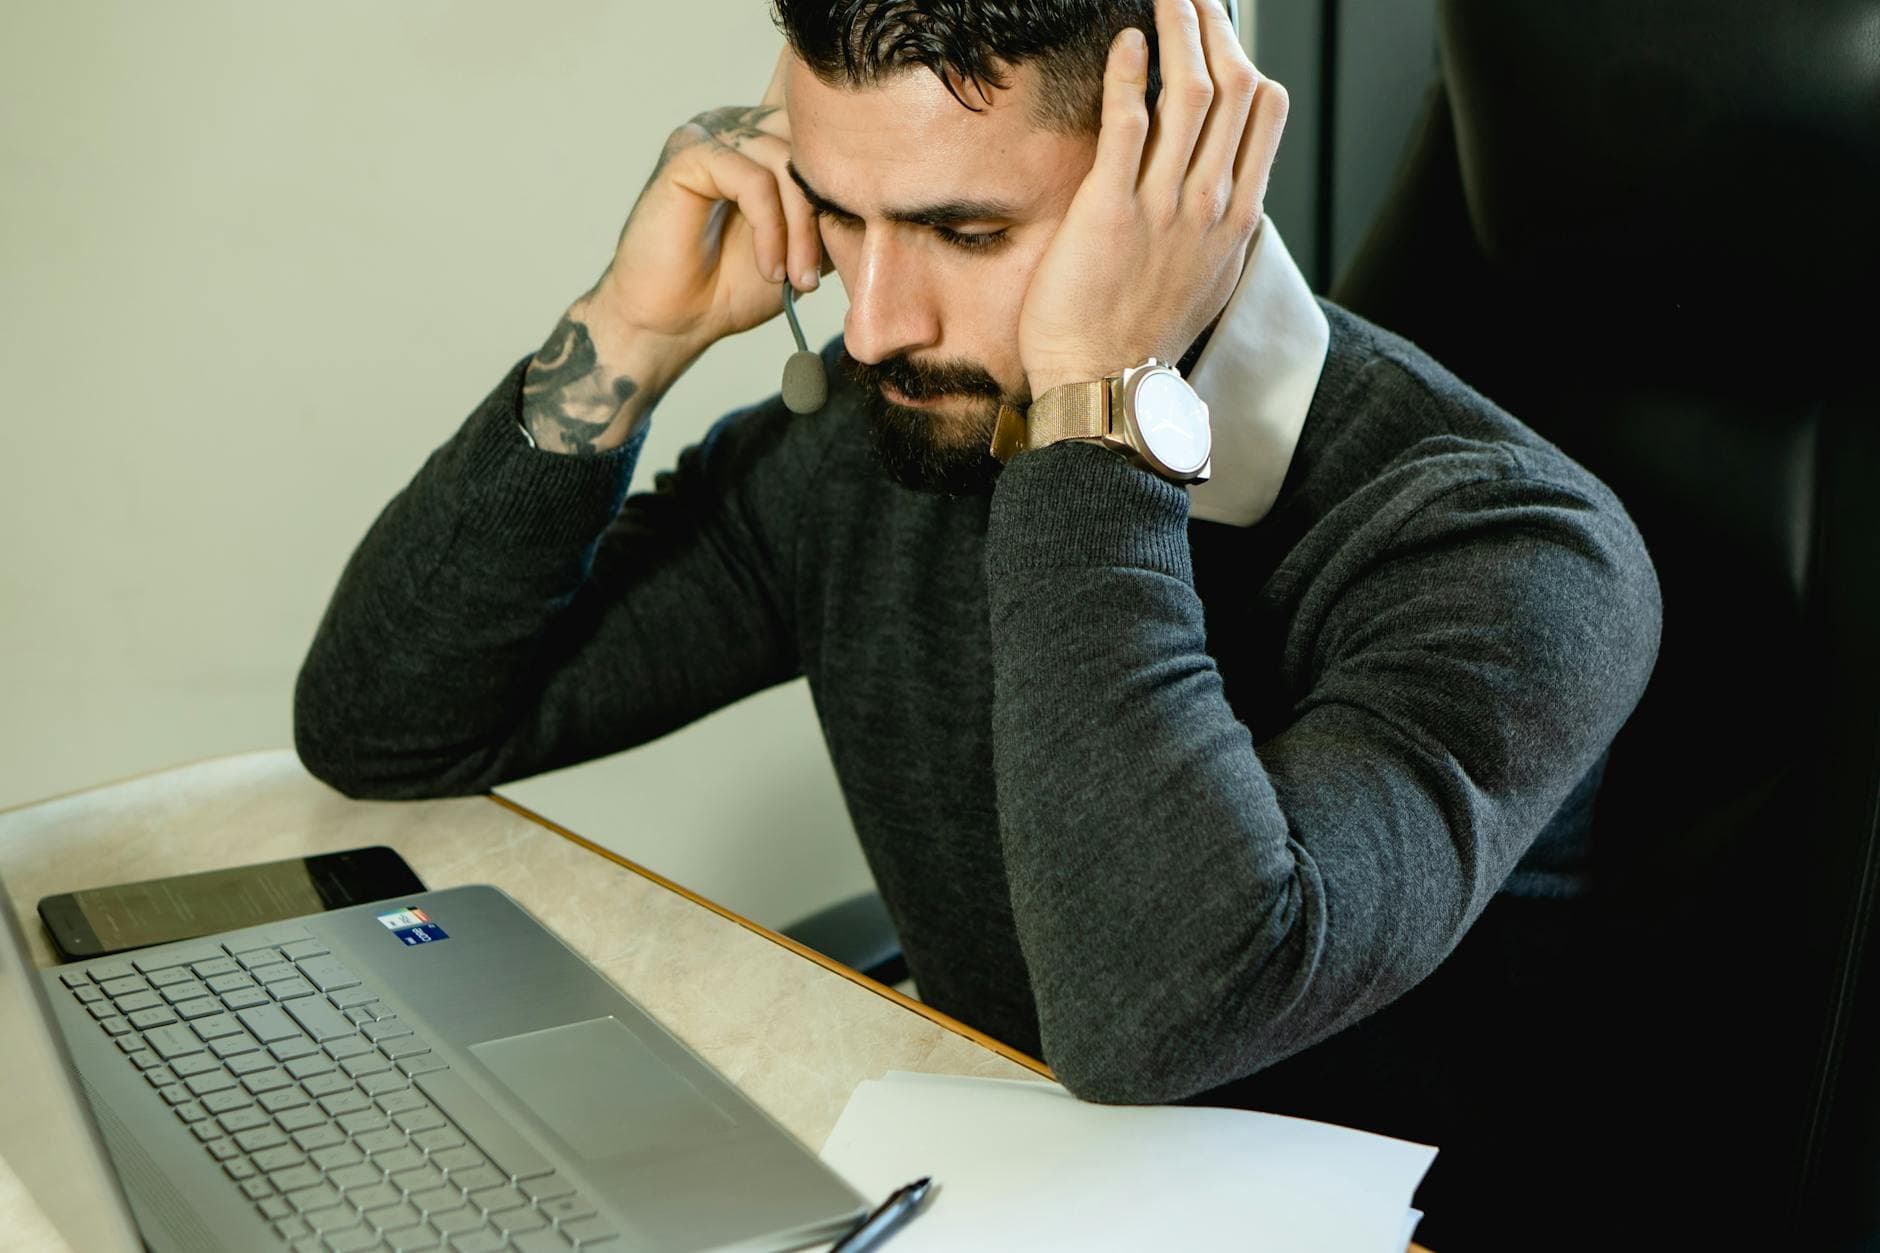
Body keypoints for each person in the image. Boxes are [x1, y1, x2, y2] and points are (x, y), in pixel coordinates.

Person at [297, 1, 1660, 1245]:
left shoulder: (1513, 551)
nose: (877, 322)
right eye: (839, 216)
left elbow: (1152, 1020)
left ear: (1191, 181)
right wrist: (632, 332)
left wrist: (1092, 412)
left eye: (966, 232)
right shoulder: (884, 433)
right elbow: (391, 723)